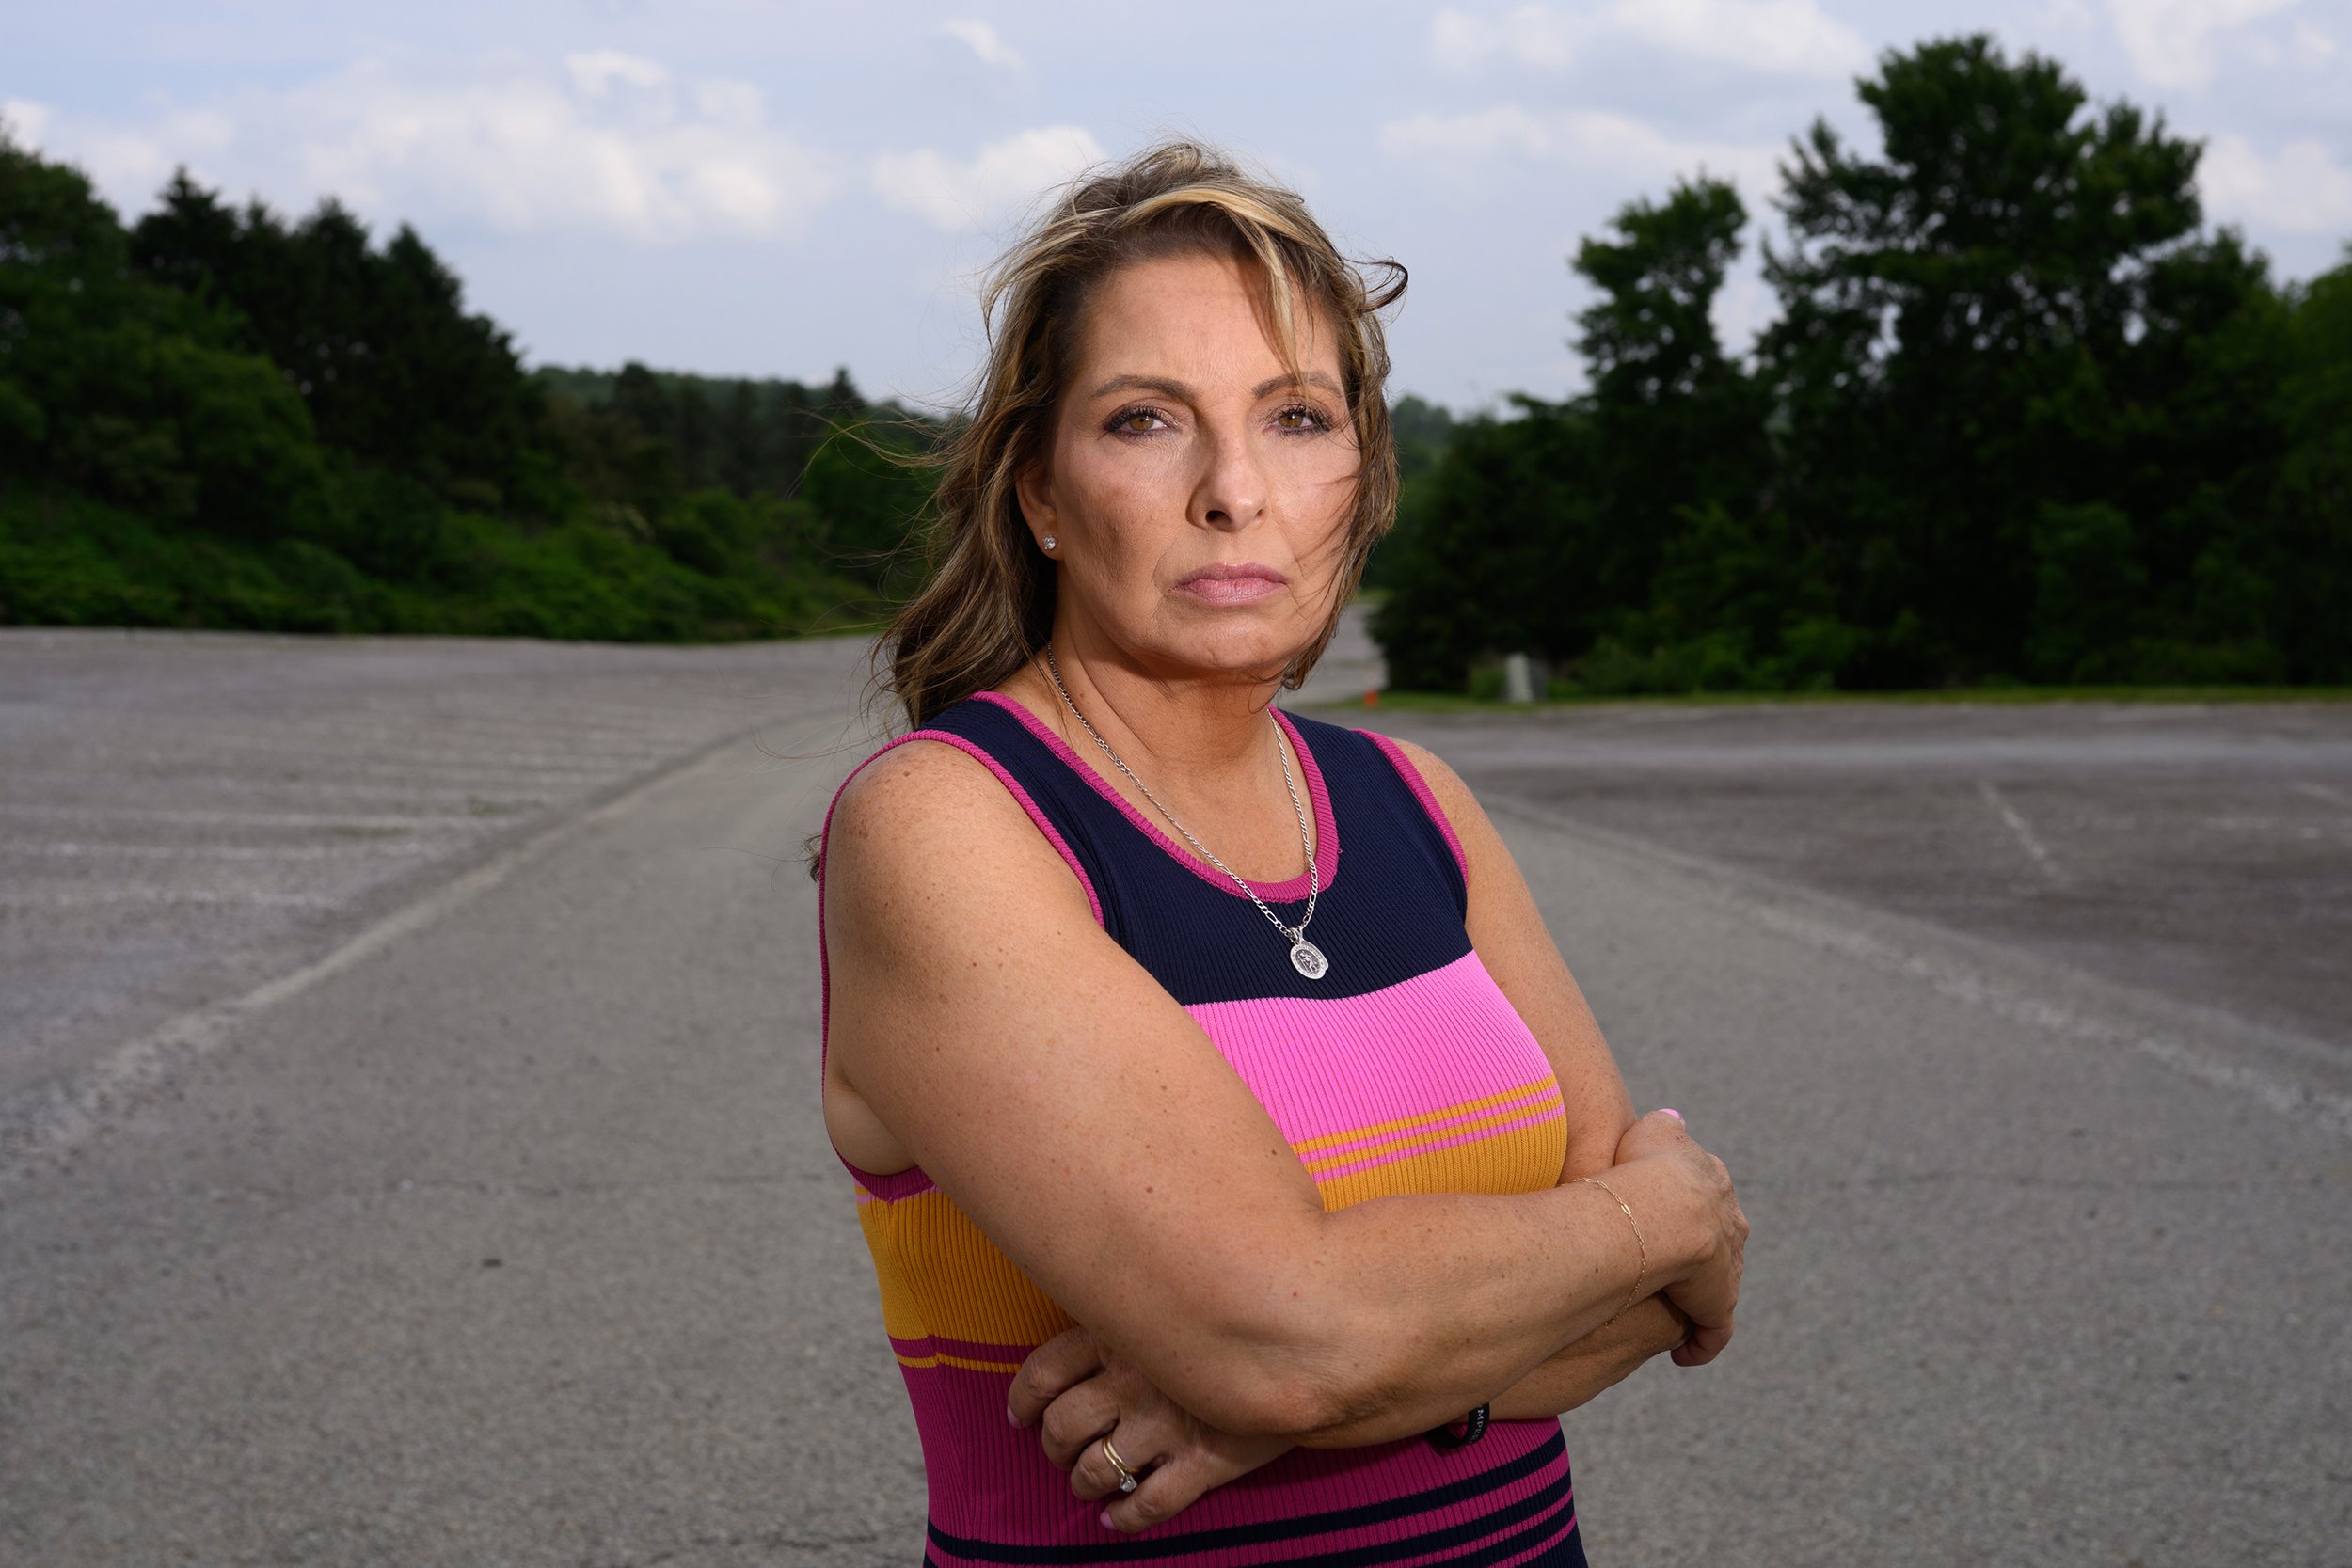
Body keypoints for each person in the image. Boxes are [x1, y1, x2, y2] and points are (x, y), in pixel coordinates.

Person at [814, 140, 1748, 1564]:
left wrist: (1337, 1382)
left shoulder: (1416, 802)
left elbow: (1643, 1315)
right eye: (1145, 420)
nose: (1235, 490)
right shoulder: (947, 821)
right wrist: (1664, 1213)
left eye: (1298, 417)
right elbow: (1291, 1332)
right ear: (1040, 493)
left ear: (1361, 472)